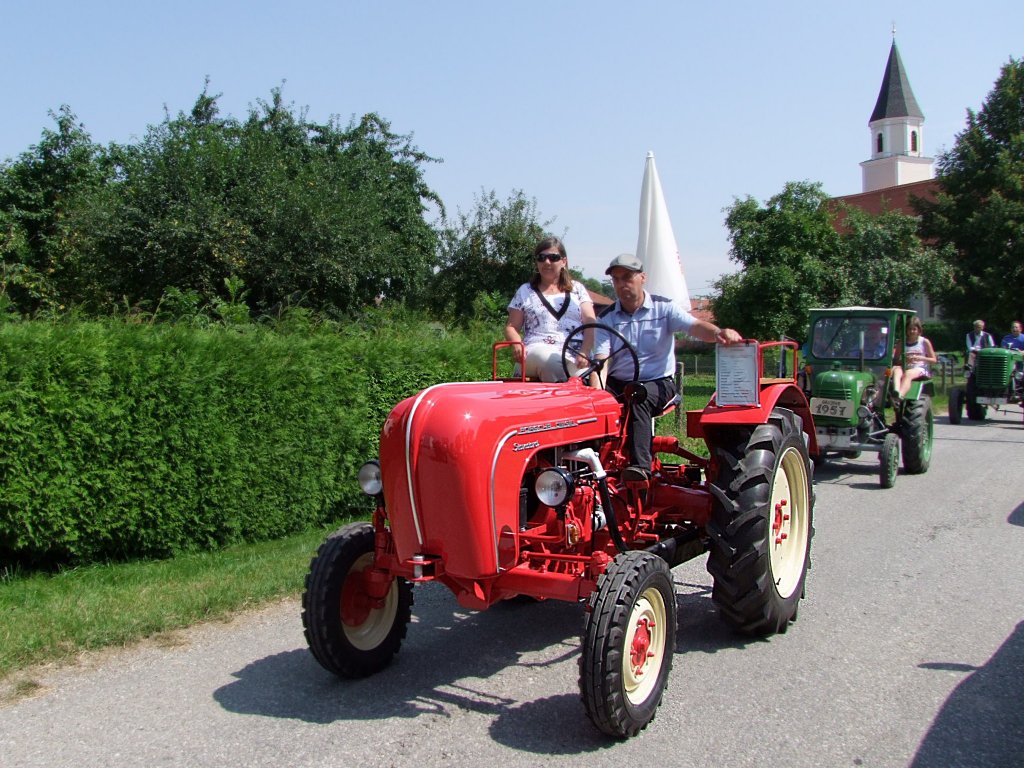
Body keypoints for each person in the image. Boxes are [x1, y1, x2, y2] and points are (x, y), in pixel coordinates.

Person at [595, 253, 742, 481]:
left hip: (657, 383)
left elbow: (695, 327)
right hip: (618, 383)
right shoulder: (607, 318)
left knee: (637, 396)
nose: (622, 284)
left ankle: (640, 469)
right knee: (588, 402)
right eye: (616, 279)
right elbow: (601, 361)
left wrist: (719, 333)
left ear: (642, 277)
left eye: (627, 277)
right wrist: (597, 395)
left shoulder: (663, 309)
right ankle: (594, 464)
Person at [504, 237, 596, 382]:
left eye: (553, 258)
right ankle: (560, 402)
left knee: (593, 377)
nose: (547, 262)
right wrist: (517, 343)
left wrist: (584, 352)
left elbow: (590, 324)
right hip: (537, 351)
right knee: (551, 362)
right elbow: (511, 327)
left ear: (563, 261)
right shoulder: (525, 291)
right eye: (541, 258)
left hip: (573, 354)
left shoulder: (577, 289)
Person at [892, 316, 937, 398]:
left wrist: (920, 358)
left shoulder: (924, 342)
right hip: (905, 366)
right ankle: (896, 391)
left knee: (908, 374)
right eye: (909, 329)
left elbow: (934, 360)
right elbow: (895, 360)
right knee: (896, 369)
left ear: (918, 330)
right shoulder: (901, 342)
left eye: (914, 329)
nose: (912, 331)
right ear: (906, 330)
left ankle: (900, 396)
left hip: (920, 369)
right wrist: (904, 361)